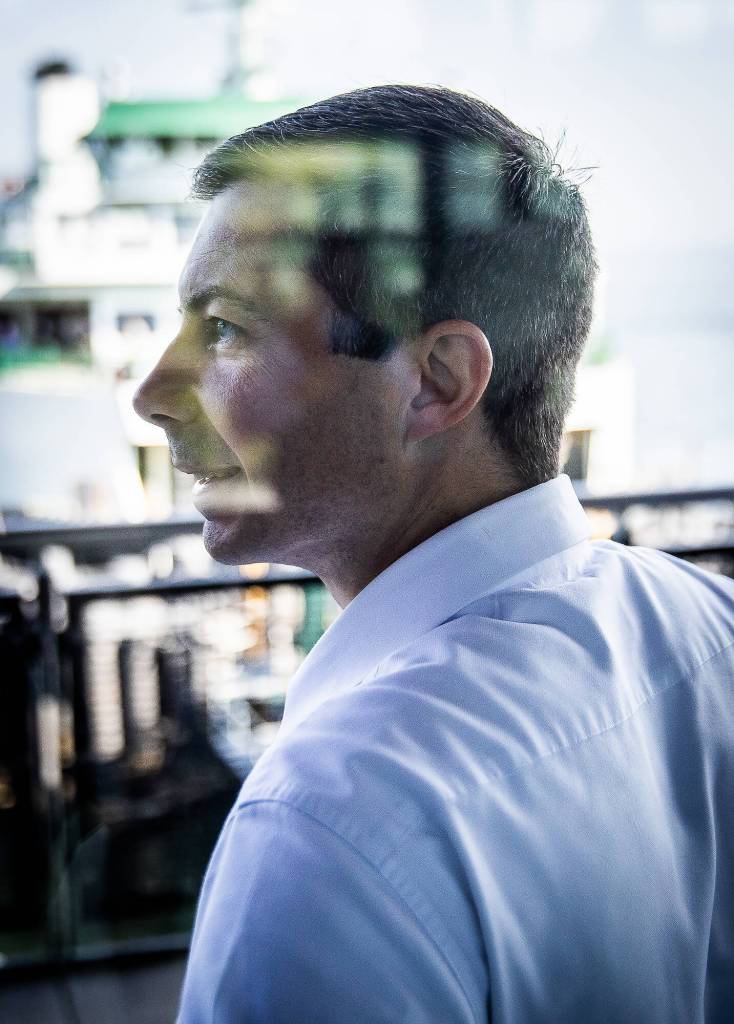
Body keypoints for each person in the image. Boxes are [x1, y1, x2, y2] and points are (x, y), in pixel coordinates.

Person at [132, 85, 734, 1023]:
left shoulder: (325, 828)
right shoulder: (708, 626)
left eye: (224, 330)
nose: (152, 393)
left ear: (436, 383)